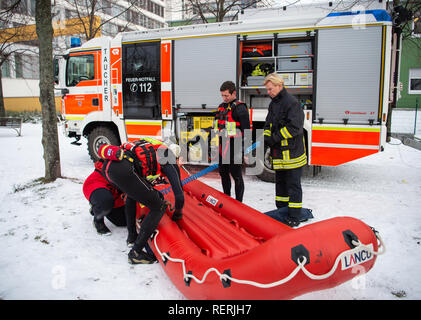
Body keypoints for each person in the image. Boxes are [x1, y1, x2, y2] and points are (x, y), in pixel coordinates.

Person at [98, 138, 184, 264]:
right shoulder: (168, 156)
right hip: (124, 170)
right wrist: (177, 215)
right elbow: (179, 194)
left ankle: (131, 237)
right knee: (158, 206)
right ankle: (136, 252)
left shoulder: (153, 146)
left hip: (110, 168)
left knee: (133, 195)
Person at [263, 73, 307, 227]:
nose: (268, 92)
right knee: (280, 184)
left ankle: (294, 217)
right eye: (267, 90)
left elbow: (295, 128)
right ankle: (281, 211)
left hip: (292, 154)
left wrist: (275, 138)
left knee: (293, 185)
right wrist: (267, 137)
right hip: (279, 154)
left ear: (279, 86)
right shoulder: (273, 103)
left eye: (270, 89)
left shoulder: (291, 103)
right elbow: (268, 123)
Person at [214, 80, 250, 202]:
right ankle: (227, 199)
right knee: (223, 174)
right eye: (222, 95)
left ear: (234, 93)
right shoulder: (221, 107)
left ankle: (239, 202)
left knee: (237, 176)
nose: (224, 98)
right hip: (222, 146)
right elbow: (217, 126)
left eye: (226, 95)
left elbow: (247, 131)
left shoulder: (240, 108)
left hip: (236, 147)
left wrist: (245, 151)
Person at [83, 160, 127, 235]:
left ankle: (100, 207)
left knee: (122, 222)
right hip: (98, 182)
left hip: (116, 191)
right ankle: (98, 220)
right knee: (105, 201)